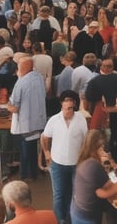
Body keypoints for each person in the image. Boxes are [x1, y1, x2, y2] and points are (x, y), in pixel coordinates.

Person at [40, 90, 88, 224]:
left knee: (76, 194)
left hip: (76, 163)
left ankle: (73, 219)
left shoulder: (81, 119)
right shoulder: (54, 120)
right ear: (61, 105)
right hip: (58, 164)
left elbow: (86, 140)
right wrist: (46, 152)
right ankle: (60, 220)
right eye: (67, 108)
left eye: (71, 108)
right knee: (59, 195)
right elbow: (44, 137)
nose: (69, 111)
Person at [70, 129, 117, 224]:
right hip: (88, 217)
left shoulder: (83, 161)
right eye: (103, 147)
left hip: (77, 211)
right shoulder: (93, 165)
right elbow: (108, 189)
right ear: (99, 147)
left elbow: (98, 191)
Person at [8, 56, 47, 182]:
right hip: (38, 121)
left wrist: (7, 107)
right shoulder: (39, 77)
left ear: (22, 68)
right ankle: (33, 173)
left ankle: (26, 175)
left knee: (25, 150)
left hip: (26, 123)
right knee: (32, 149)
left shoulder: (21, 82)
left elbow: (14, 107)